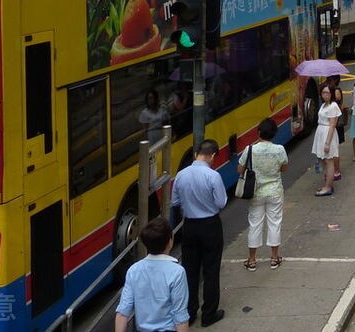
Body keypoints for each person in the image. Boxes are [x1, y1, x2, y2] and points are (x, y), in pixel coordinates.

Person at [169, 140, 227, 328]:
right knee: (211, 269)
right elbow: (220, 203)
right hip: (210, 225)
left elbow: (175, 201)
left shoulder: (181, 175)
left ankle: (189, 312)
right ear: (212, 156)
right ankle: (209, 313)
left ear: (196, 154)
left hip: (190, 226)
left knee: (190, 270)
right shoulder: (213, 176)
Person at [114, 217, 189, 332]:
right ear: (170, 241)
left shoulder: (133, 271)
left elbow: (123, 312)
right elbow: (180, 317)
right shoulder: (177, 272)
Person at [239, 118, 288, 271]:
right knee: (274, 223)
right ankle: (274, 258)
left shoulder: (250, 150)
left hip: (256, 192)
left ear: (259, 132)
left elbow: (240, 169)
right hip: (275, 191)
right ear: (274, 134)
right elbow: (284, 168)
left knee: (255, 224)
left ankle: (252, 260)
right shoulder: (279, 149)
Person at [312, 84, 342, 195]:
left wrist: (327, 143)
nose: (325, 95)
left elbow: (332, 125)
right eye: (323, 92)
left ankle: (328, 187)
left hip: (327, 134)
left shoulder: (333, 106)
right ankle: (327, 185)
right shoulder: (324, 105)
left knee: (329, 161)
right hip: (321, 133)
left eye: (328, 93)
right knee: (325, 160)